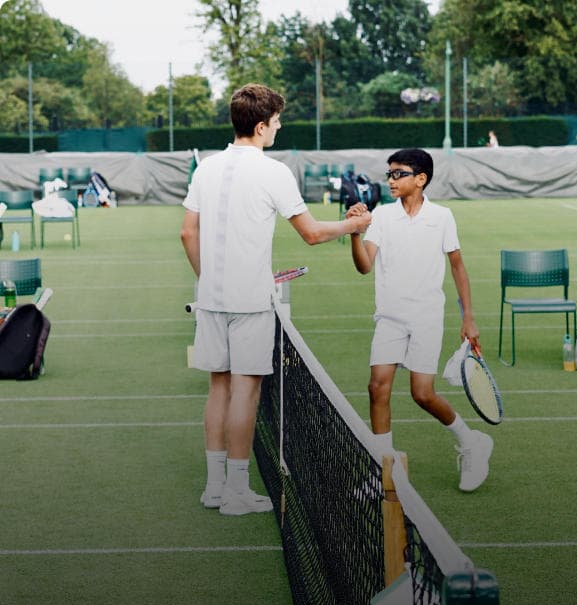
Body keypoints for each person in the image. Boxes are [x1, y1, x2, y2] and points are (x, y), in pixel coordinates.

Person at [180, 83, 371, 516]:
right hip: (250, 301)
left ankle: (215, 487)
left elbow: (187, 233)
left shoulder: (205, 168)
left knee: (218, 388)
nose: (280, 128)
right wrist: (355, 226)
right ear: (262, 125)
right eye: (278, 122)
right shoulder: (274, 172)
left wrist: (209, 280)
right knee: (245, 391)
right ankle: (236, 492)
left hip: (210, 297)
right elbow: (311, 233)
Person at [346, 148, 493, 492]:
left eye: (399, 173)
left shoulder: (442, 217)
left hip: (427, 317)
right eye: (390, 174)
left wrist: (468, 318)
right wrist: (355, 231)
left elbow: (458, 266)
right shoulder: (381, 216)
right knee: (377, 387)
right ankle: (386, 472)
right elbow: (365, 265)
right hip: (389, 318)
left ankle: (471, 441)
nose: (391, 180)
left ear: (420, 179)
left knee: (422, 394)